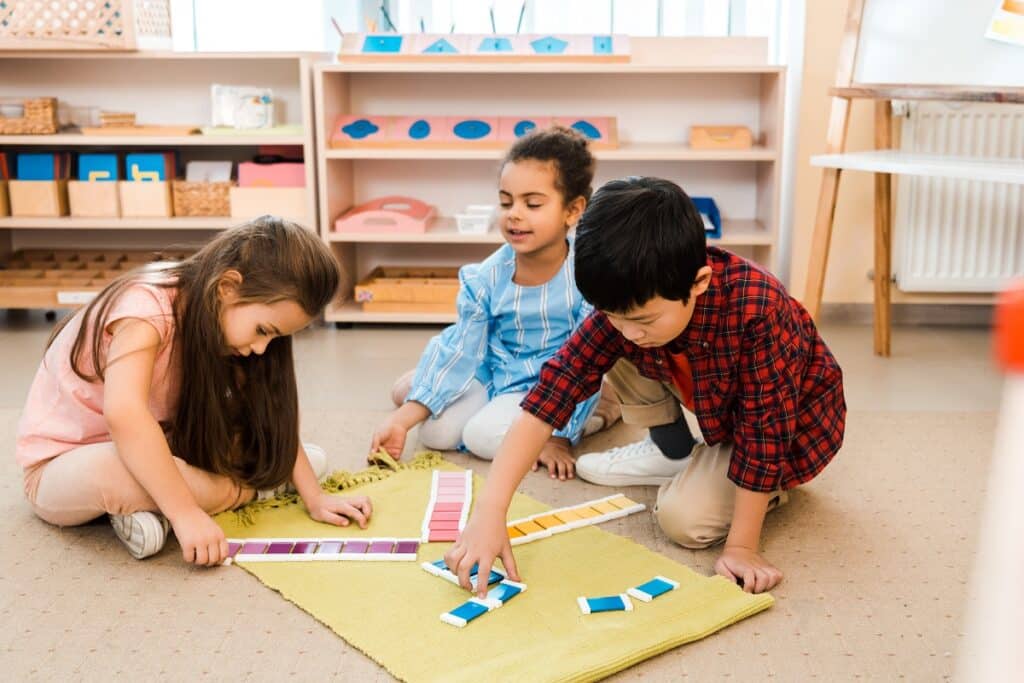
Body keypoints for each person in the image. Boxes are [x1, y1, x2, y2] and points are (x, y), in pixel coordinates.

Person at [446, 177, 846, 595]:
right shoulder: (629, 310)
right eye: (614, 316)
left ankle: (764, 489)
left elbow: (766, 433)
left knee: (682, 521)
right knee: (606, 345)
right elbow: (552, 393)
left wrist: (742, 546)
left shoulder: (759, 310)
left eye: (642, 319)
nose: (627, 331)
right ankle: (671, 451)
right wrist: (489, 513)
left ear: (700, 283)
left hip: (790, 430)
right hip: (708, 396)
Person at [17, 217, 372, 564]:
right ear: (226, 287)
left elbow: (267, 411)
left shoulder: (222, 320)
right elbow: (125, 417)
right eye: (264, 330)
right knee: (113, 470)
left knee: (248, 440)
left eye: (276, 337)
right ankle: (251, 490)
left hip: (158, 445)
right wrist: (186, 513)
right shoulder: (146, 312)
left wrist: (315, 497)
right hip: (61, 467)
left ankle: (157, 508)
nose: (264, 348)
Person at [372, 127, 619, 477]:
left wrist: (558, 436)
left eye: (532, 204)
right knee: (435, 432)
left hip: (549, 385)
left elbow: (584, 363)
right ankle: (428, 387)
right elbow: (461, 347)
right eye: (506, 202)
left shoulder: (585, 278)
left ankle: (599, 412)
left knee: (481, 438)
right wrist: (402, 420)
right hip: (492, 371)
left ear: (573, 210)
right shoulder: (485, 277)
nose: (514, 214)